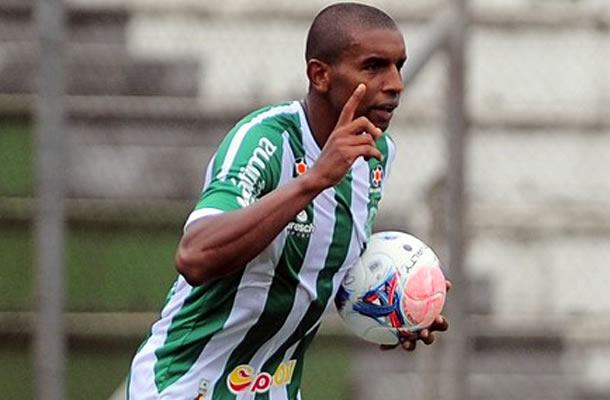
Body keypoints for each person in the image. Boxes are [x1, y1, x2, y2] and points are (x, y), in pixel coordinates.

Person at [127, 3, 449, 399]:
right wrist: (313, 180)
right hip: (186, 387)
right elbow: (195, 256)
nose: (395, 83)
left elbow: (312, 263)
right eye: (373, 66)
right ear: (320, 75)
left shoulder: (376, 155)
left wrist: (396, 300)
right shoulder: (265, 140)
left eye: (399, 66)